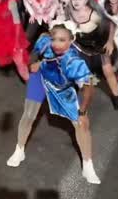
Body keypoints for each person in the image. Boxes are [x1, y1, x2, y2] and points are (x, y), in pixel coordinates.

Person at [6, 24, 100, 184]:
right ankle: (19, 149)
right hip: (41, 78)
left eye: (62, 40)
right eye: (54, 39)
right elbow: (32, 55)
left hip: (63, 87)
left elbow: (90, 87)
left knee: (82, 123)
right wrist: (34, 65)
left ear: (72, 40)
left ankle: (88, 164)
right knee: (28, 114)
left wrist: (83, 111)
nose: (56, 43)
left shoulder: (75, 62)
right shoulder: (44, 41)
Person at [67, 0, 118, 110]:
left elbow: (111, 24)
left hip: (99, 45)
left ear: (86, 0)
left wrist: (109, 42)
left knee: (108, 72)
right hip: (81, 47)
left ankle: (116, 98)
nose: (76, 2)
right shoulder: (69, 12)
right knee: (75, 73)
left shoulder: (94, 15)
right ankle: (73, 102)